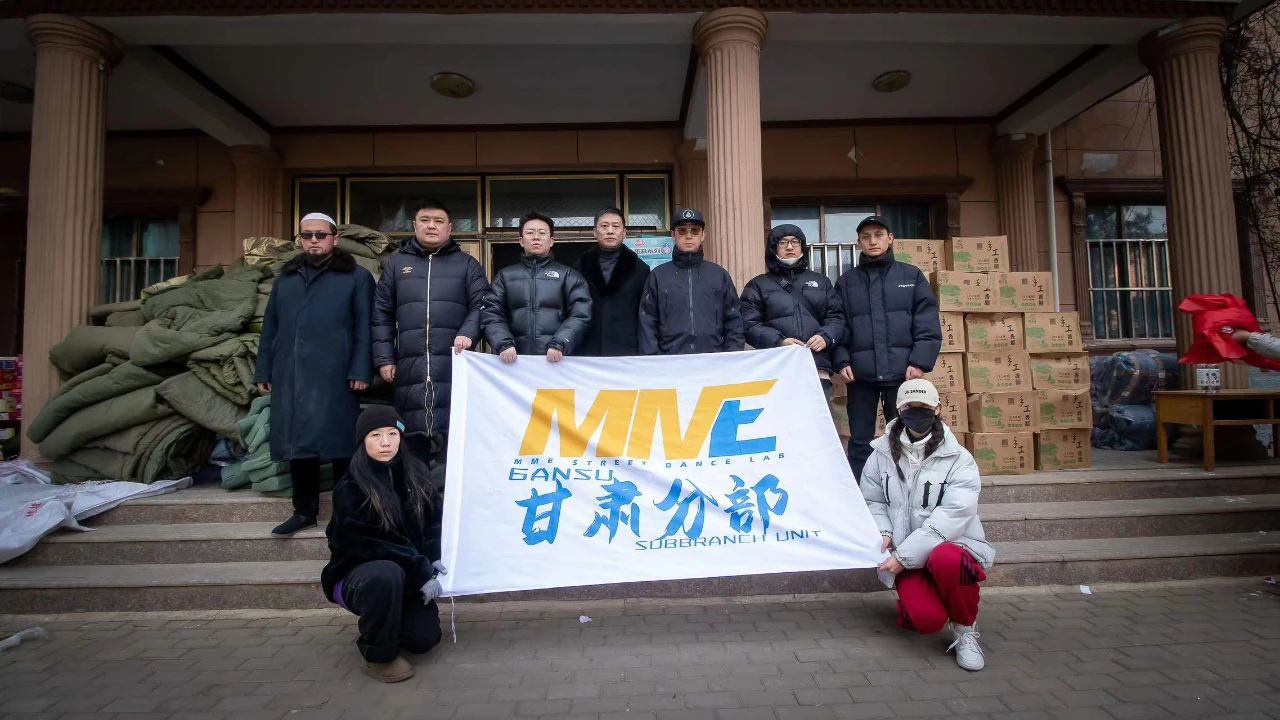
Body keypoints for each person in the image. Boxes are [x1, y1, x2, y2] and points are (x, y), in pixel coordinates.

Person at [859, 378, 995, 672]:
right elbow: (872, 500)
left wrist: (903, 557)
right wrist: (884, 531)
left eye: (923, 406)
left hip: (952, 546)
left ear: (937, 409)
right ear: (899, 410)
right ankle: (929, 601)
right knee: (927, 621)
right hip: (904, 553)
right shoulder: (880, 455)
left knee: (946, 559)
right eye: (910, 406)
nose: (916, 411)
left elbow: (955, 513)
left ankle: (965, 630)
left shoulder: (959, 459)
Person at [255, 212, 373, 537]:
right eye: (307, 235)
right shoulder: (286, 279)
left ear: (335, 238)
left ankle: (346, 513)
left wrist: (361, 369)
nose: (314, 240)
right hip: (291, 372)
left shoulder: (357, 277)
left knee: (341, 444)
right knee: (297, 443)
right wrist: (264, 368)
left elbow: (366, 327)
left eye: (321, 235)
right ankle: (304, 511)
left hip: (337, 372)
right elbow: (270, 327)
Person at [321, 406, 446, 683]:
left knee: (424, 639)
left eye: (392, 433)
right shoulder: (350, 487)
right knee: (386, 573)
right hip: (361, 576)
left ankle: (384, 623)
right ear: (362, 440)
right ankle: (378, 656)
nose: (385, 442)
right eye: (375, 435)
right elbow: (371, 542)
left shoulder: (417, 475)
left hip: (407, 575)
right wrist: (421, 571)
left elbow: (433, 521)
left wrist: (435, 554)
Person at [373, 199, 489, 470]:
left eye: (438, 221)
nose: (431, 226)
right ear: (414, 226)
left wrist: (468, 333)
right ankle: (415, 494)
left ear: (450, 228)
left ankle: (448, 495)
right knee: (412, 440)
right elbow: (381, 314)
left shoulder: (467, 265)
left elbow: (483, 305)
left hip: (454, 364)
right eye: (425, 220)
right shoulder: (396, 265)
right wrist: (384, 358)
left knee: (454, 438)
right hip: (409, 367)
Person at [833, 215, 941, 480]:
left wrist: (919, 361)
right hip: (860, 376)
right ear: (859, 243)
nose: (873, 241)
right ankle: (862, 493)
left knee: (905, 435)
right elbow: (838, 325)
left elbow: (926, 323)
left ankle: (906, 487)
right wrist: (842, 360)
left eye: (879, 235)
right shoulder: (846, 282)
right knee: (860, 439)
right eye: (866, 237)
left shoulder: (911, 276)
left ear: (890, 238)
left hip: (903, 374)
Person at [741, 224, 845, 397]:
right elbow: (748, 324)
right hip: (775, 369)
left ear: (802, 246)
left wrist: (826, 337)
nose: (789, 247)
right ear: (773, 248)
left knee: (818, 414)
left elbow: (837, 318)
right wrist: (779, 341)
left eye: (795, 242)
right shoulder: (757, 285)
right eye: (783, 243)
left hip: (816, 367)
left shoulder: (822, 282)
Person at [482, 212, 592, 363]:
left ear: (551, 241)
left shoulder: (569, 276)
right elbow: (491, 312)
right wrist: (504, 343)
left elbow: (581, 314)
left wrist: (560, 343)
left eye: (542, 233)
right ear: (521, 241)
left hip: (558, 362)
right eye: (530, 233)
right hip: (513, 362)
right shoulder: (505, 276)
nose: (536, 237)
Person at [639, 208, 744, 355]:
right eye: (682, 231)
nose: (688, 236)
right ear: (673, 235)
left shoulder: (719, 275)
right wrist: (655, 360)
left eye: (695, 231)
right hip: (669, 362)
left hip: (713, 360)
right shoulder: (658, 276)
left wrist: (731, 356)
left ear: (703, 235)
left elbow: (733, 320)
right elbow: (648, 322)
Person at [576, 207, 651, 356]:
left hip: (627, 350)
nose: (610, 231)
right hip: (588, 351)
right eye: (604, 226)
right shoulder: (579, 267)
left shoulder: (640, 269)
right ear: (595, 232)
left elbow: (646, 315)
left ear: (624, 233)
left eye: (615, 226)